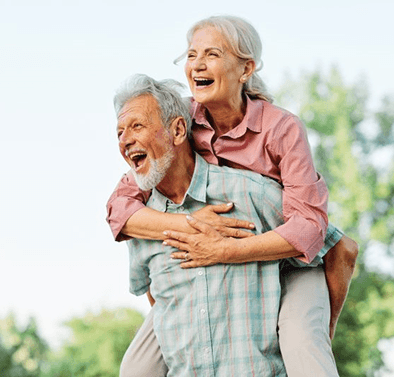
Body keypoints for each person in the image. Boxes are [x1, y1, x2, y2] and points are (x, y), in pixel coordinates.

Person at [108, 16, 358, 377]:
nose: (197, 64)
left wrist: (225, 250)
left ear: (246, 69)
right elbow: (119, 208)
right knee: (135, 367)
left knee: (303, 343)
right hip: (211, 259)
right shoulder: (182, 120)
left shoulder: (281, 129)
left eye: (212, 54)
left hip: (286, 260)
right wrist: (190, 224)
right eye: (191, 55)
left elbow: (309, 230)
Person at [116, 73, 292, 375]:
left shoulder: (252, 194)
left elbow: (326, 247)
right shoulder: (140, 226)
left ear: (178, 129)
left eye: (137, 126)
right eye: (119, 132)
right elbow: (158, 300)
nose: (125, 140)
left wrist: (312, 335)